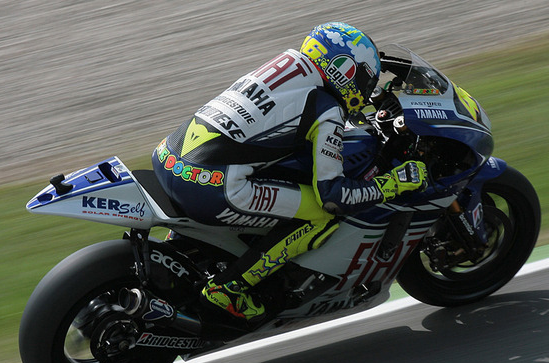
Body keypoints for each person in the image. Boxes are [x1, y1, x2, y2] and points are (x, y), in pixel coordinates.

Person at [152, 22, 427, 322]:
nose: (364, 90)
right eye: (363, 79)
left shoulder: (288, 64)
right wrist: (393, 184)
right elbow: (333, 195)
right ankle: (230, 289)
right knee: (322, 215)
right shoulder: (326, 109)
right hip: (212, 187)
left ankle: (180, 253)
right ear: (344, 70)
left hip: (169, 156)